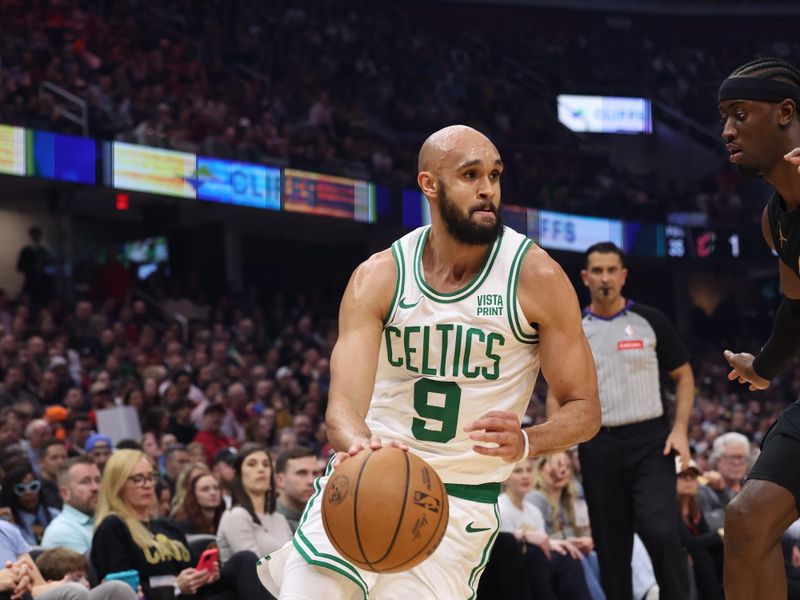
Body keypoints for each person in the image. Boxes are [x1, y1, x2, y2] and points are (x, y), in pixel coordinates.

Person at [257, 124, 601, 599]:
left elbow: (584, 410)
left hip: (458, 504)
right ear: (429, 184)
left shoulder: (535, 276)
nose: (487, 189)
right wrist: (363, 449)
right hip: (367, 481)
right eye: (470, 174)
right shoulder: (380, 275)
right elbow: (342, 411)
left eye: (495, 175)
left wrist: (526, 440)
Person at [562, 241, 695, 600]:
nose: (605, 277)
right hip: (597, 444)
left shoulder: (651, 320)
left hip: (651, 441)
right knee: (611, 546)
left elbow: (684, 375)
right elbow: (557, 392)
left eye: (611, 270)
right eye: (597, 271)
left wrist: (680, 429)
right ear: (585, 278)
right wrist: (559, 446)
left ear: (623, 276)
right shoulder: (574, 328)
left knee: (661, 531)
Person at [717, 57, 800, 600]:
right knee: (747, 520)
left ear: (786, 113)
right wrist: (764, 367)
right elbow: (795, 307)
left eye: (740, 113)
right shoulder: (775, 218)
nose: (727, 130)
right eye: (724, 116)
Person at [91, 449, 270, 600]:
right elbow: (122, 590)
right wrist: (175, 585)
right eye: (138, 479)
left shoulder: (168, 526)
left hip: (193, 596)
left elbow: (191, 571)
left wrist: (205, 576)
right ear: (118, 483)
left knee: (243, 560)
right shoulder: (113, 526)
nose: (147, 485)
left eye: (150, 477)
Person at [499, 458, 592, 600]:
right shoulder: (500, 507)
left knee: (574, 556)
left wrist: (561, 544)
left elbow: (545, 546)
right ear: (505, 477)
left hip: (538, 563)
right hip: (512, 569)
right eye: (518, 471)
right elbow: (503, 548)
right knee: (566, 561)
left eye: (529, 470)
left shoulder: (533, 510)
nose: (525, 476)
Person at [216, 443, 292, 564]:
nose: (261, 469)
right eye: (252, 464)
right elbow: (254, 568)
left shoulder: (280, 519)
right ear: (239, 474)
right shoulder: (236, 515)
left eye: (266, 465)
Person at [675, 457, 724, 600]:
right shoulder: (669, 506)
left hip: (696, 555)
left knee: (721, 549)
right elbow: (687, 542)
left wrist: (720, 537)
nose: (689, 480)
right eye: (683, 476)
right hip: (680, 554)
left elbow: (704, 535)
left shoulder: (695, 506)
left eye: (693, 476)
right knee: (700, 553)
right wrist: (720, 534)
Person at [41, 457, 101, 553]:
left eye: (98, 480)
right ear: (65, 494)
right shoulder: (61, 531)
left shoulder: (104, 518)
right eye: (85, 482)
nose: (95, 488)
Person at [698, 432, 751, 530]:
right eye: (732, 457)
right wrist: (722, 491)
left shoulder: (752, 488)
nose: (737, 462)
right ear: (717, 460)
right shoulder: (703, 489)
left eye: (741, 457)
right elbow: (713, 526)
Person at [0, 466, 60, 545]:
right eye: (21, 489)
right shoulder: (7, 521)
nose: (29, 493)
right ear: (12, 492)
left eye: (33, 487)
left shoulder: (55, 515)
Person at [274, 447, 321, 532]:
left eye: (315, 473)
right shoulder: (264, 520)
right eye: (302, 473)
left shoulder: (323, 519)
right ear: (280, 480)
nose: (311, 481)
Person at [16, 226, 54, 307]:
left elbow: (51, 267)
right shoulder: (26, 250)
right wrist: (32, 268)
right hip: (32, 283)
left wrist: (44, 269)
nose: (36, 236)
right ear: (31, 236)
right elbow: (19, 267)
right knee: (32, 304)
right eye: (34, 235)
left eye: (38, 235)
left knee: (44, 304)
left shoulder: (44, 250)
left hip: (44, 284)